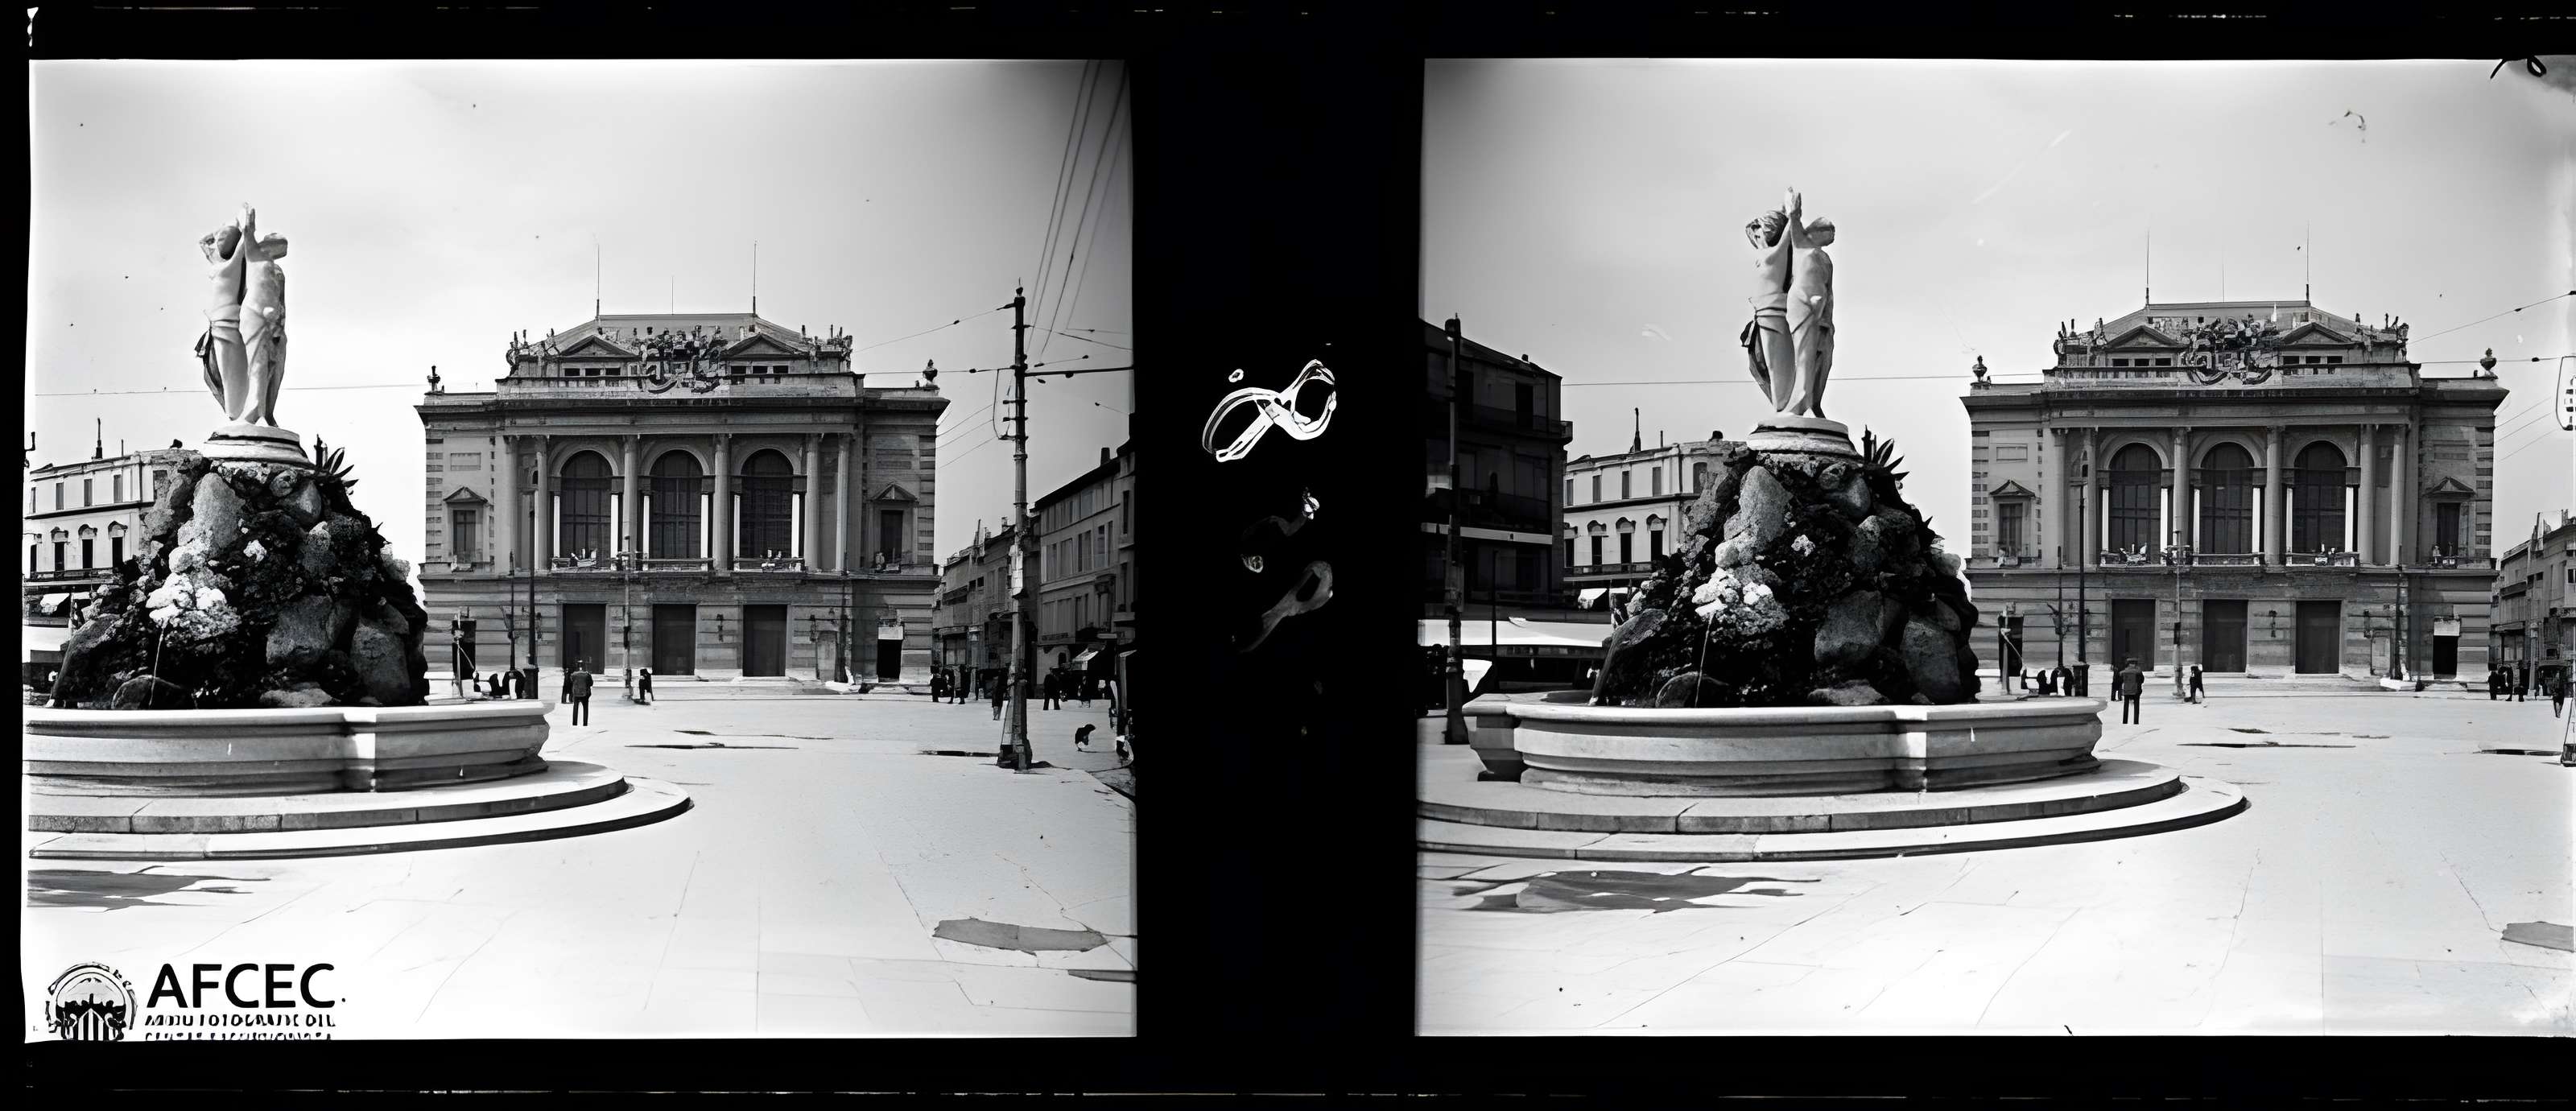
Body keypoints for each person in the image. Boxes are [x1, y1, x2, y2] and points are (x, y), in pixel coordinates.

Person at [2116, 658, 2145, 725]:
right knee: (2136, 707)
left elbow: (2120, 681)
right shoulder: (2139, 672)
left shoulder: (2124, 672)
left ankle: (2125, 721)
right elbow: (2142, 680)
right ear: (2136, 664)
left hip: (2127, 690)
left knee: (2126, 706)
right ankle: (2136, 721)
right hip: (2136, 690)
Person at [566, 659, 594, 725]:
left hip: (576, 693)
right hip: (585, 693)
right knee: (585, 709)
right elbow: (591, 683)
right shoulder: (587, 675)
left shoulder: (574, 675)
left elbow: (571, 681)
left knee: (575, 708)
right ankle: (585, 723)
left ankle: (575, 722)